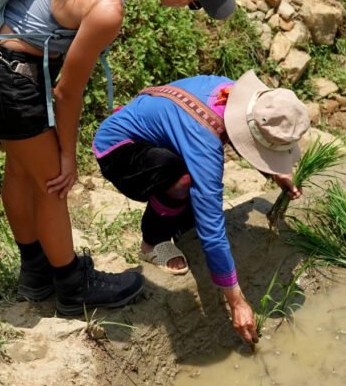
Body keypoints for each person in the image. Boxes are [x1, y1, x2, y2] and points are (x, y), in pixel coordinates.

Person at [0, 0, 234, 316]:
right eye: (194, 3)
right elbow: (68, 92)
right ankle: (72, 287)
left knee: (21, 171)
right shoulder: (108, 9)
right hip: (10, 77)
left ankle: (35, 275)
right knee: (54, 184)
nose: (190, 9)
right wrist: (69, 156)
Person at [92, 70, 311, 345]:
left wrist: (275, 173)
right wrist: (237, 302)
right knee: (183, 181)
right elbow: (212, 229)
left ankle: (176, 213)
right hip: (119, 149)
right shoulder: (204, 143)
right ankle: (152, 243)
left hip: (163, 137)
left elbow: (244, 132)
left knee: (187, 184)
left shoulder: (234, 95)